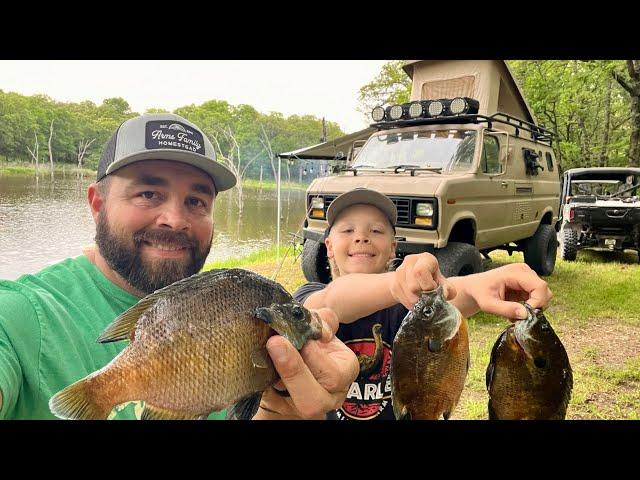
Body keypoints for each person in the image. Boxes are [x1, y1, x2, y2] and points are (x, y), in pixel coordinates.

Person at [0, 113, 358, 420]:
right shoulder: (18, 315)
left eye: (196, 200)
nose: (175, 219)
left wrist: (282, 409)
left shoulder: (216, 298)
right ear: (97, 204)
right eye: (148, 194)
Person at [293, 187, 553, 420]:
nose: (361, 237)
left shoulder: (411, 309)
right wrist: (395, 282)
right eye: (348, 230)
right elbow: (332, 301)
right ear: (328, 246)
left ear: (393, 247)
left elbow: (455, 297)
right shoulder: (309, 297)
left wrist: (481, 284)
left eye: (376, 230)